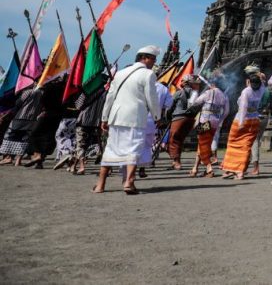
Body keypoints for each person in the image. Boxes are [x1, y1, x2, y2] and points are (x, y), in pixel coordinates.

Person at [92, 46, 161, 194]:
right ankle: (129, 182)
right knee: (134, 148)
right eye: (153, 59)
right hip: (135, 117)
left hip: (116, 117)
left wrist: (104, 118)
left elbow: (110, 97)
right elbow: (152, 98)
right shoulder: (148, 75)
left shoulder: (120, 73)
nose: (154, 63)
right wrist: (157, 116)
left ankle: (100, 185)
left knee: (111, 148)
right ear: (145, 58)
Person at [221, 66, 267, 180]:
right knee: (245, 147)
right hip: (255, 120)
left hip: (242, 120)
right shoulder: (262, 90)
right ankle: (238, 171)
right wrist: (262, 79)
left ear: (249, 82)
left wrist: (241, 124)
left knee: (232, 144)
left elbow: (243, 108)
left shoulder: (246, 91)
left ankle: (231, 169)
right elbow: (264, 84)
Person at [188, 76, 228, 178]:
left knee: (202, 143)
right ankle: (195, 168)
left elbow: (194, 103)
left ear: (213, 84)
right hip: (215, 123)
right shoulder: (224, 96)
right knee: (203, 144)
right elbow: (227, 111)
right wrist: (220, 120)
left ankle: (209, 168)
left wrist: (195, 92)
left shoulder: (208, 93)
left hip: (205, 121)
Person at [0, 87, 42, 167]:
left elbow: (17, 105)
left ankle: (8, 157)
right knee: (24, 139)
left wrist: (5, 116)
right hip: (32, 119)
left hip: (20, 117)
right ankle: (18, 160)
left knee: (10, 136)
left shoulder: (26, 92)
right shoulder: (41, 92)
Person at [166, 75, 199, 170]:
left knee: (173, 140)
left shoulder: (179, 93)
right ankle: (175, 161)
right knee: (180, 140)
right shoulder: (195, 93)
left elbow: (170, 107)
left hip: (178, 118)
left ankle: (176, 162)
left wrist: (167, 118)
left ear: (185, 83)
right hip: (190, 119)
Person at [72, 88, 106, 175]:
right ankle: (107, 168)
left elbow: (77, 105)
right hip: (98, 121)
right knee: (101, 144)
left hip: (84, 120)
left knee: (80, 143)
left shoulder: (86, 91)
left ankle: (82, 166)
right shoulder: (105, 92)